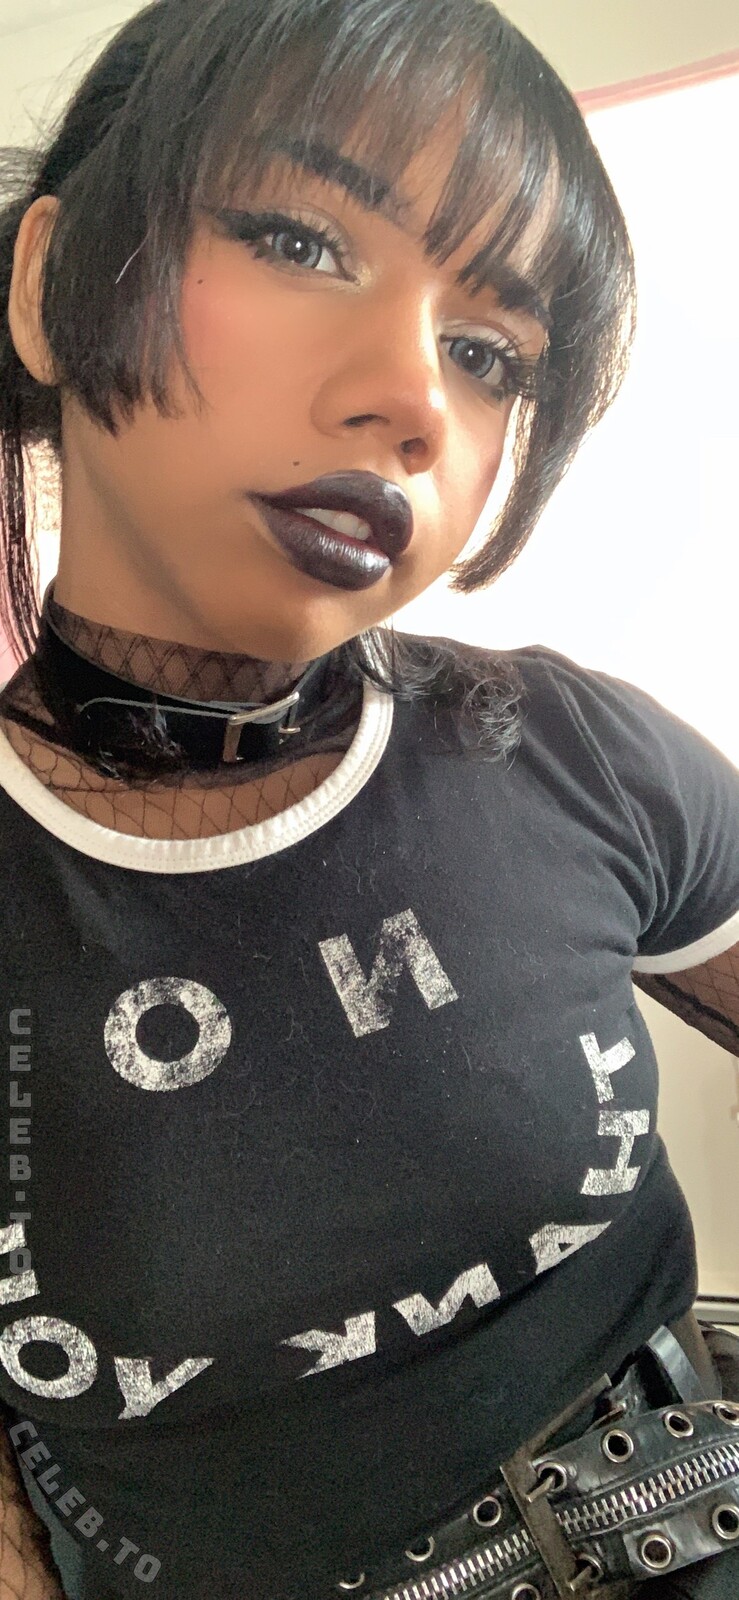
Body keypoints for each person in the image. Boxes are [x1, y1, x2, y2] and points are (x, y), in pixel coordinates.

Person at [0, 1, 737, 1597]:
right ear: (53, 284)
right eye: (296, 239)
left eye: (489, 354)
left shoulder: (576, 750)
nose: (413, 396)